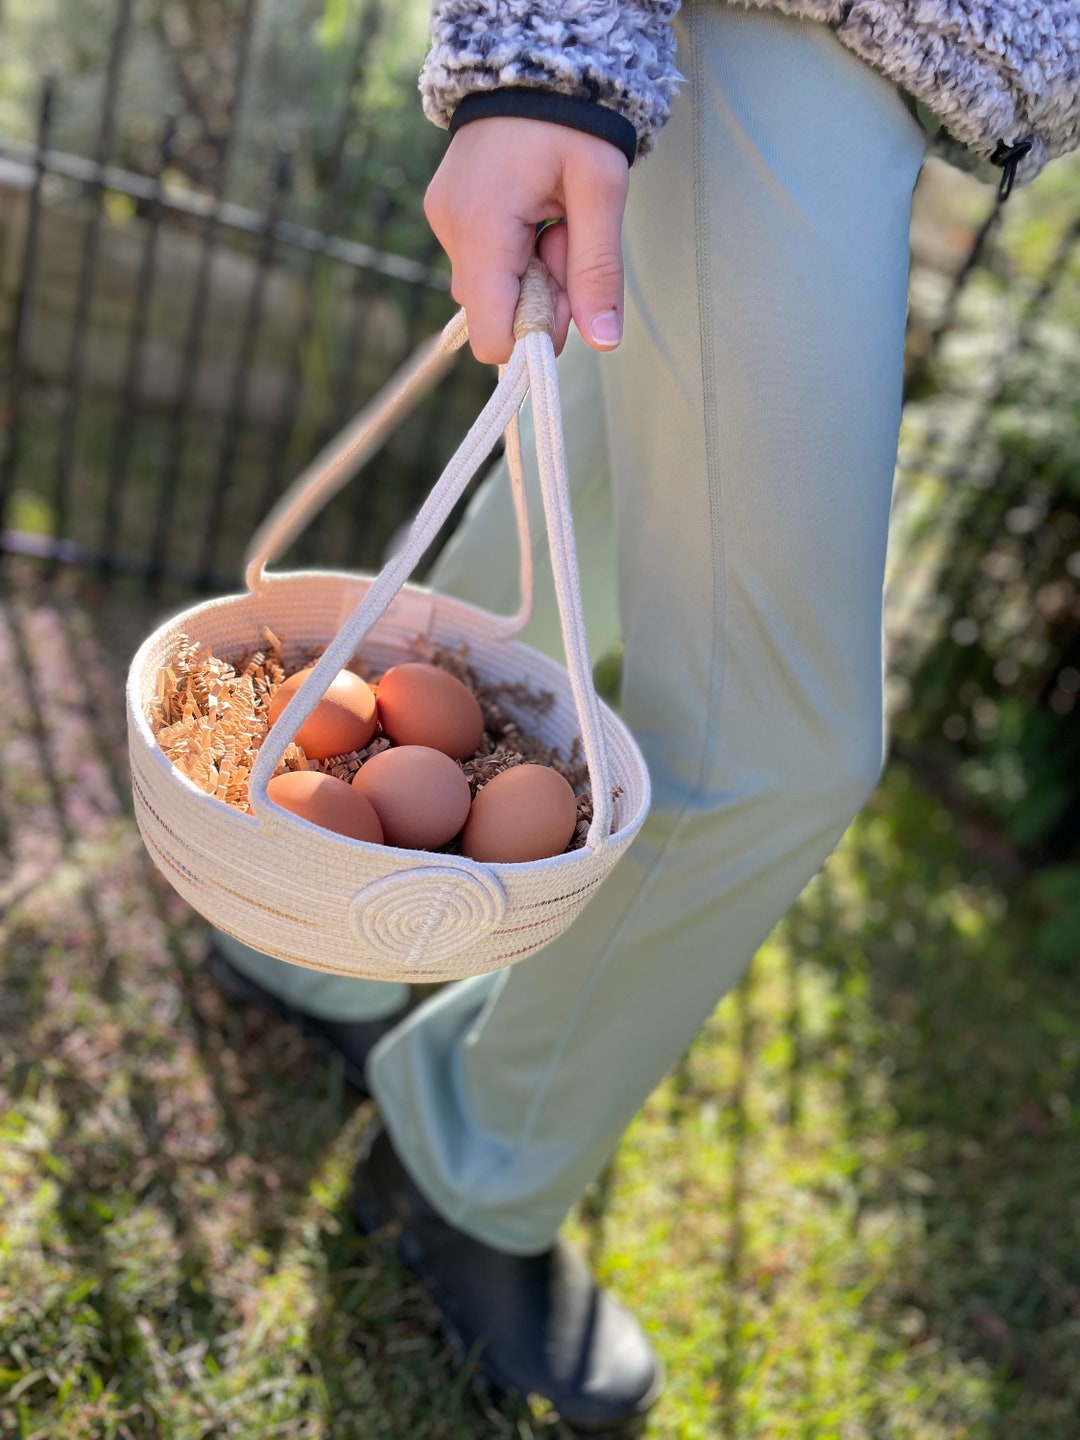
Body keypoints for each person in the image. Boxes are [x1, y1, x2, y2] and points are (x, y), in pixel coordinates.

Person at [209, 1, 1079, 1431]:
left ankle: (310, 942)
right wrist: (550, 61)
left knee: (544, 578)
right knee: (777, 751)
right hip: (806, 46)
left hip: (842, 55)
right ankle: (475, 1164)